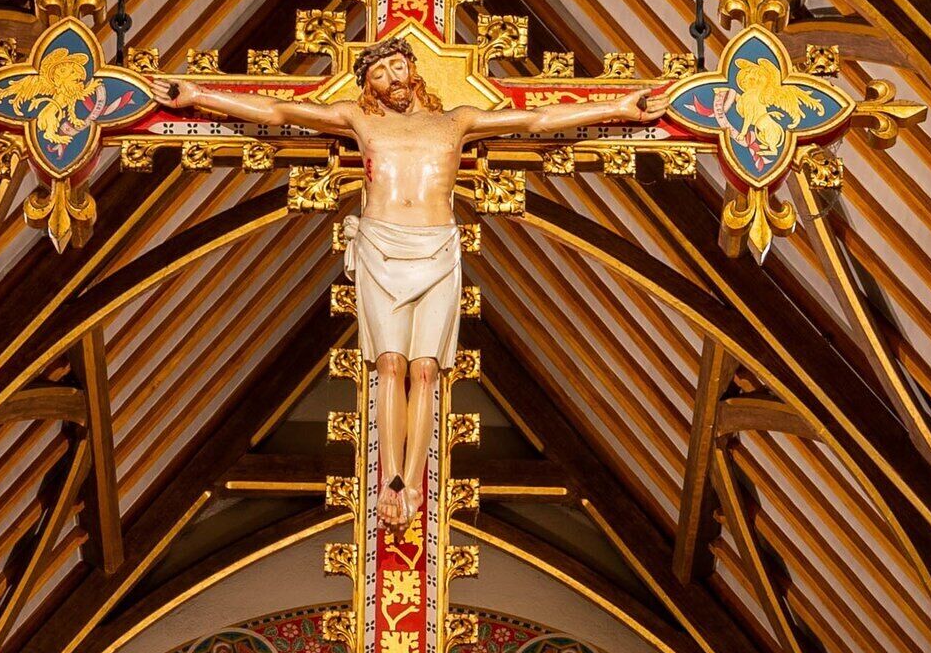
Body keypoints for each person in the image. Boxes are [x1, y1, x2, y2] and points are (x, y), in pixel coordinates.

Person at [159, 41, 652, 525]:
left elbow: (536, 121)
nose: (391, 79)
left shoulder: (456, 121)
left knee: (426, 370)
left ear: (412, 69)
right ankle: (388, 476)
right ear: (368, 86)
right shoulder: (360, 120)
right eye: (379, 74)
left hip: (437, 246)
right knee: (390, 365)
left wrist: (619, 108)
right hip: (381, 245)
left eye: (397, 67)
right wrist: (199, 97)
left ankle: (414, 481)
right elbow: (275, 110)